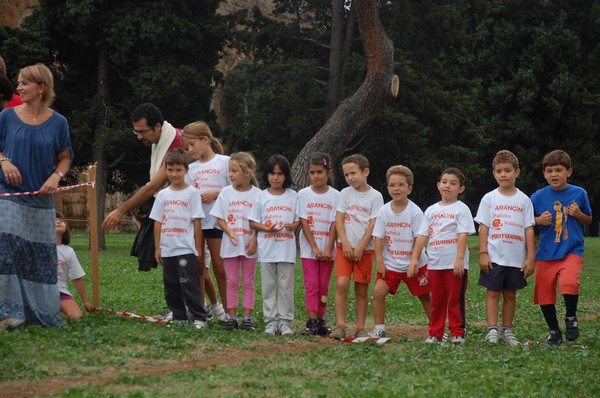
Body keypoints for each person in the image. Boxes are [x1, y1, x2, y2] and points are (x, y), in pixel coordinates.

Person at [0, 63, 73, 328]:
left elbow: (64, 158)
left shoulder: (59, 122)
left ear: (41, 88)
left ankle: (39, 314)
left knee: (39, 257)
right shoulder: (6, 117)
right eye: (19, 82)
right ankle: (8, 313)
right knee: (5, 249)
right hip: (8, 196)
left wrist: (56, 176)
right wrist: (4, 161)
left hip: (41, 201)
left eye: (24, 83)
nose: (18, 87)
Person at [102, 103, 184, 273]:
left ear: (157, 127)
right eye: (136, 132)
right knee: (180, 270)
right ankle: (204, 301)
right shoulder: (162, 140)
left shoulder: (176, 144)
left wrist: (120, 210)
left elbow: (153, 187)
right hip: (176, 213)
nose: (139, 137)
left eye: (142, 131)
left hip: (189, 215)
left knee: (193, 268)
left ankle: (207, 301)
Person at [530, 150, 592, 346]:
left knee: (569, 282)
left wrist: (578, 214)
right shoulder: (538, 197)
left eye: (559, 170)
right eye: (549, 171)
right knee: (544, 293)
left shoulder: (579, 193)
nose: (554, 174)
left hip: (571, 250)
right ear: (544, 174)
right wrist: (538, 220)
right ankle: (554, 331)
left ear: (569, 172)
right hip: (546, 253)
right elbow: (526, 221)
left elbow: (588, 219)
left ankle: (571, 317)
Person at [474, 150, 535, 346]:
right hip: (494, 256)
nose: (503, 174)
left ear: (517, 172)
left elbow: (529, 230)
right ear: (493, 174)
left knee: (510, 294)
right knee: (492, 292)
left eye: (507, 170)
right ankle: (492, 329)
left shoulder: (524, 200)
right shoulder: (489, 198)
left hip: (515, 258)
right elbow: (483, 228)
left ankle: (507, 330)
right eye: (499, 171)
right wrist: (483, 254)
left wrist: (531, 257)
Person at [410, 168, 475, 344]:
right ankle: (435, 333)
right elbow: (422, 235)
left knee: (454, 299)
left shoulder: (462, 209)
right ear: (438, 185)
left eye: (453, 183)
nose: (448, 186)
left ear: (460, 189)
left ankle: (457, 332)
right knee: (437, 301)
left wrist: (460, 259)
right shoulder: (431, 210)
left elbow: (462, 234)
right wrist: (415, 258)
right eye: (444, 182)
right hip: (435, 264)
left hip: (454, 264)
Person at [149, 149, 209, 329]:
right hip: (168, 248)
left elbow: (197, 221)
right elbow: (158, 222)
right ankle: (179, 316)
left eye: (178, 170)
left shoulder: (192, 193)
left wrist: (198, 247)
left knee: (189, 283)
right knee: (171, 284)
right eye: (170, 170)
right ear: (166, 170)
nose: (174, 174)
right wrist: (158, 248)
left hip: (186, 248)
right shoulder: (162, 195)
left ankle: (200, 317)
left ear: (186, 170)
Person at [370, 165, 432, 339]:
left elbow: (420, 237)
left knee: (425, 296)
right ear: (388, 188)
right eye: (392, 185)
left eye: (401, 185)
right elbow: (377, 238)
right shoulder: (383, 211)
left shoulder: (415, 211)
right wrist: (380, 262)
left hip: (415, 263)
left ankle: (437, 330)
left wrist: (414, 260)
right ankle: (379, 328)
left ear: (409, 188)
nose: (396, 189)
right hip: (391, 264)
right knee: (378, 293)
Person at [330, 154, 384, 340]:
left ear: (365, 171)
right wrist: (344, 241)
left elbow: (373, 223)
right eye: (346, 175)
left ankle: (360, 326)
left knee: (361, 288)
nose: (350, 178)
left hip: (365, 250)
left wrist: (361, 246)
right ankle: (340, 324)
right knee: (341, 283)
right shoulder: (345, 193)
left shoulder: (376, 196)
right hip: (344, 248)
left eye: (353, 173)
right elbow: (339, 218)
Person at [249, 154, 300, 335]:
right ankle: (271, 321)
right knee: (268, 286)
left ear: (286, 176)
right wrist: (267, 229)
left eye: (279, 174)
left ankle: (285, 322)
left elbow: (298, 222)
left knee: (286, 287)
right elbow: (253, 222)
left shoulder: (294, 196)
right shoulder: (260, 196)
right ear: (267, 175)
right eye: (272, 173)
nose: (275, 178)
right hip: (267, 250)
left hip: (286, 250)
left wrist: (292, 226)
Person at [183, 121, 228, 321]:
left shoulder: (224, 162)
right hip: (197, 224)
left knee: (220, 268)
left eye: (192, 144)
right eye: (187, 146)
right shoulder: (190, 169)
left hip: (218, 223)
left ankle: (229, 313)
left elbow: (238, 188)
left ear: (205, 140)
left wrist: (216, 193)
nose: (190, 150)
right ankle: (200, 311)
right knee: (198, 265)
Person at [210, 152, 261, 331]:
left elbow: (260, 222)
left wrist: (255, 238)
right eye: (229, 171)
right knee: (231, 281)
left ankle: (247, 317)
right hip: (230, 246)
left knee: (248, 282)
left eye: (234, 171)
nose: (230, 175)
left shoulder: (258, 194)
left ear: (247, 173)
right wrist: (229, 231)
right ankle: (231, 316)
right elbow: (219, 218)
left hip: (249, 247)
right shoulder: (225, 192)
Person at [297, 152, 339, 336]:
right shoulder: (303, 194)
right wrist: (314, 247)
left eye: (320, 172)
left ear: (328, 172)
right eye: (312, 172)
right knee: (312, 284)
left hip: (328, 248)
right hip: (309, 249)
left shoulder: (336, 195)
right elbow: (304, 222)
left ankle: (321, 319)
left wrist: (329, 248)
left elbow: (334, 223)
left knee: (323, 285)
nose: (316, 176)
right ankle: (311, 320)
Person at [56, 211, 93, 319]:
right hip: (41, 291)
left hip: (60, 292)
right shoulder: (39, 247)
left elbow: (76, 277)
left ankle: (53, 312)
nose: (58, 221)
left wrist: (86, 301)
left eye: (61, 220)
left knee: (77, 316)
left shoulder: (69, 251)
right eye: (54, 220)